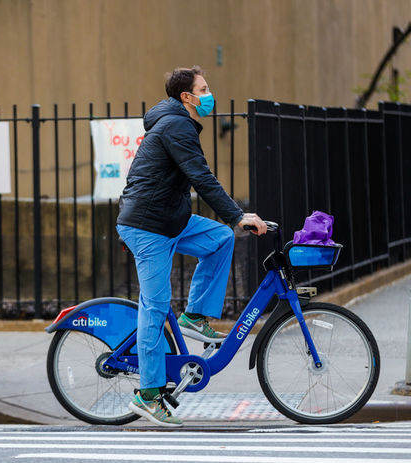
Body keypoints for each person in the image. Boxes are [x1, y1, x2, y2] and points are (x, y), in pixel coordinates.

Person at [116, 66, 267, 427]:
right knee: (154, 307)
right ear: (187, 96)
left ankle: (195, 316)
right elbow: (201, 176)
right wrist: (237, 214)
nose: (209, 94)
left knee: (219, 239)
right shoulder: (176, 125)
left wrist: (231, 222)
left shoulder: (174, 122)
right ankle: (148, 394)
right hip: (148, 226)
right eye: (204, 88)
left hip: (170, 220)